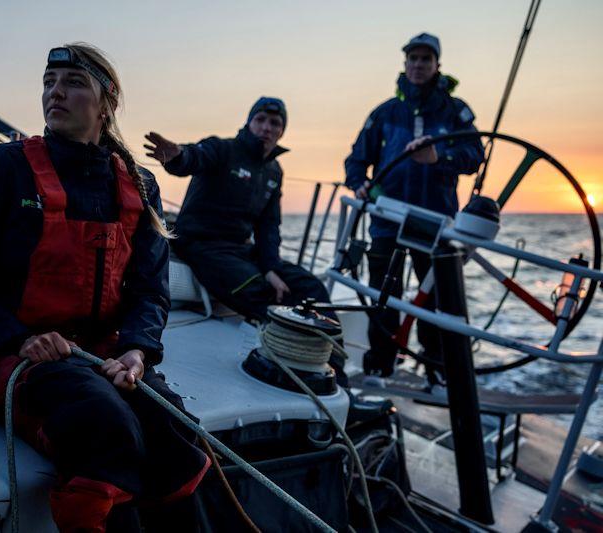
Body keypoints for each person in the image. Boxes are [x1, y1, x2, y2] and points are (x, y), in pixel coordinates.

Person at [0, 43, 209, 532]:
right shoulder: (3, 168)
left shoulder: (140, 186)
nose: (55, 93)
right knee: (104, 424)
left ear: (107, 103)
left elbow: (150, 291)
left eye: (73, 82)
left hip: (100, 353)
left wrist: (138, 353)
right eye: (49, 81)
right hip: (7, 355)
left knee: (174, 427)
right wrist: (20, 337)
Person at [344, 33, 484, 383]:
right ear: (404, 63)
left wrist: (439, 156)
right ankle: (381, 364)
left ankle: (436, 369)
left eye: (426, 59)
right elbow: (357, 159)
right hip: (387, 217)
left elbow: (474, 157)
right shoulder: (385, 113)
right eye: (413, 58)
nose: (419, 64)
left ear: (437, 64)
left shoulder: (455, 112)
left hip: (433, 221)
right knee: (382, 294)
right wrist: (359, 182)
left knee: (435, 296)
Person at [144, 97, 333, 324]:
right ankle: (281, 344)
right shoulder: (223, 149)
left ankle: (331, 358)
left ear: (282, 131)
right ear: (249, 122)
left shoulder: (274, 171)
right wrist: (178, 156)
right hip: (202, 244)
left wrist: (271, 268)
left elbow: (268, 226)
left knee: (312, 287)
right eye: (260, 119)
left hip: (241, 249)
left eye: (275, 123)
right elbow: (195, 157)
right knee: (259, 289)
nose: (266, 127)